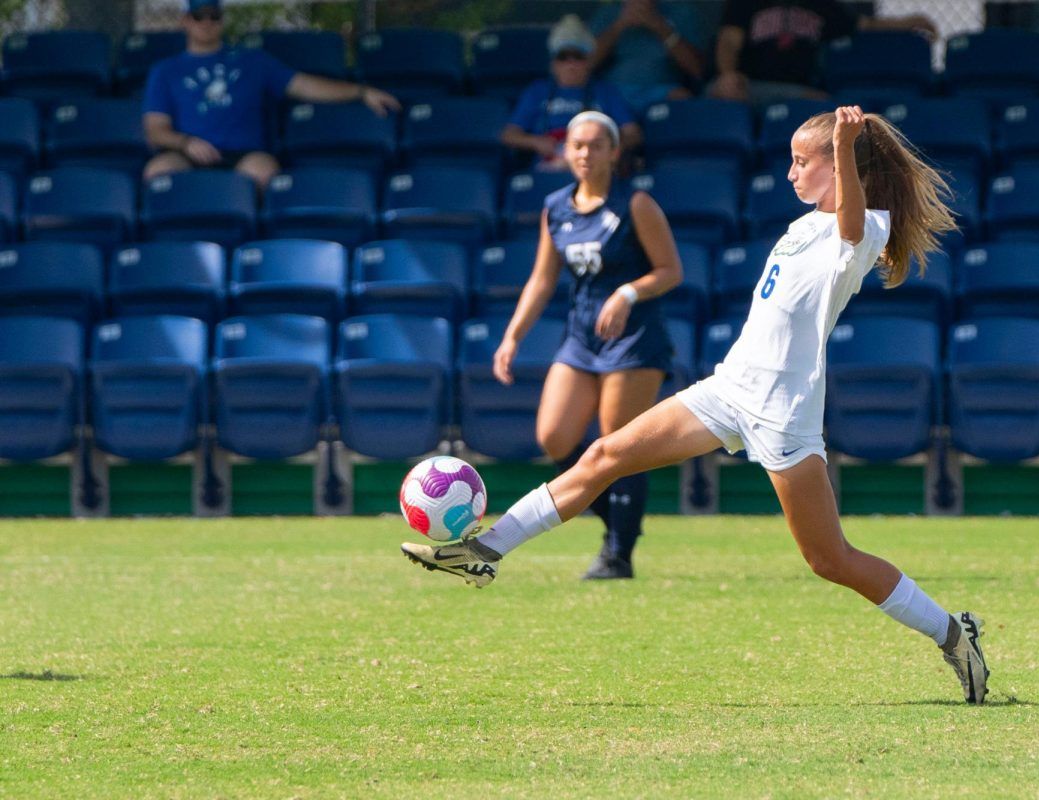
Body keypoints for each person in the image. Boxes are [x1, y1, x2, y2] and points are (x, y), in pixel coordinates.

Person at [403, 105, 991, 705]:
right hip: (729, 388)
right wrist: (835, 155)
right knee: (604, 453)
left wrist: (842, 146)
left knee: (828, 558)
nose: (789, 172)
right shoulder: (803, 225)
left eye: (801, 161)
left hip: (782, 414)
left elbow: (850, 226)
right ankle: (482, 552)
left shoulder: (867, 226)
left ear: (841, 169)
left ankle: (953, 633)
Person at [493, 110, 682, 579]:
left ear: (614, 152)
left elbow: (671, 271)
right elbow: (542, 280)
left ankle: (619, 552)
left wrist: (627, 292)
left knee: (617, 443)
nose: (585, 153)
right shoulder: (555, 206)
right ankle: (613, 523)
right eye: (577, 144)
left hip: (635, 337)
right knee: (553, 436)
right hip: (581, 337)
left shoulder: (635, 203)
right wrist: (512, 336)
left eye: (596, 145)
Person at [142, 0, 400, 190]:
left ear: (222, 19)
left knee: (265, 172)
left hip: (244, 154)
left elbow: (303, 85)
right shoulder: (165, 70)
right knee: (158, 171)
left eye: (214, 15)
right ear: (185, 20)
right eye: (199, 16)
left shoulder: (253, 61)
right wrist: (186, 143)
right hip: (188, 154)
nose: (207, 22)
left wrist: (360, 92)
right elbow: (156, 129)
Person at [709, 0, 937, 107]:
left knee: (829, 107)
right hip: (751, 86)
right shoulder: (745, 4)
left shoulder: (821, 5)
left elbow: (865, 25)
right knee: (718, 94)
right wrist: (727, 74)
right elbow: (728, 40)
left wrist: (909, 22)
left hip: (801, 90)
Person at [502, 15, 642, 172]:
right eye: (563, 57)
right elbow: (509, 135)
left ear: (589, 61)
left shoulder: (607, 91)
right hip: (548, 169)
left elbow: (633, 133)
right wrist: (535, 142)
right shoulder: (536, 91)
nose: (571, 64)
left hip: (594, 168)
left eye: (578, 56)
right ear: (553, 64)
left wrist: (610, 149)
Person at [588, 0, 707, 113]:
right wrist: (619, 25)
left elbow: (697, 69)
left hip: (662, 91)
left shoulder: (680, 12)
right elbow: (587, 63)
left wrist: (659, 26)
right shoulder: (608, 13)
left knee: (683, 99)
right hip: (613, 91)